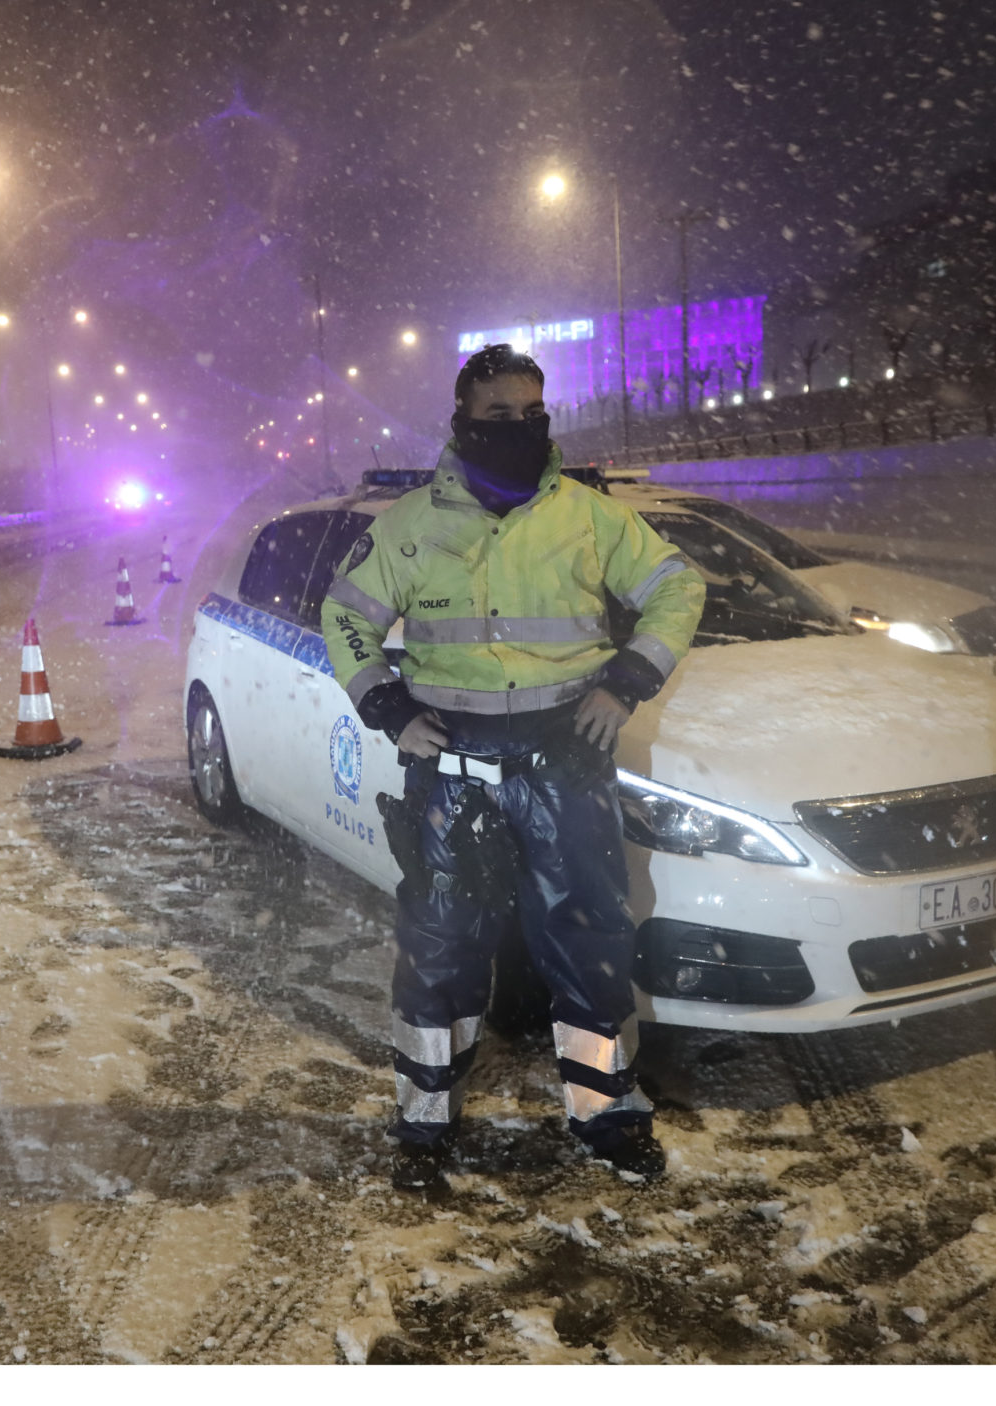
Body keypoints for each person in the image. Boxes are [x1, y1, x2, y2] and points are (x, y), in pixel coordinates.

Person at [322, 343, 704, 1193]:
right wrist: (386, 708)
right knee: (441, 940)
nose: (521, 429)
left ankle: (605, 1112)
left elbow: (678, 586)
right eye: (500, 417)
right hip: (451, 762)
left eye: (533, 415)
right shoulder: (412, 525)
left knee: (588, 936)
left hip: (566, 756)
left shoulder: (587, 516)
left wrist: (627, 682)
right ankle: (425, 1122)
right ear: (462, 422)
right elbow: (344, 617)